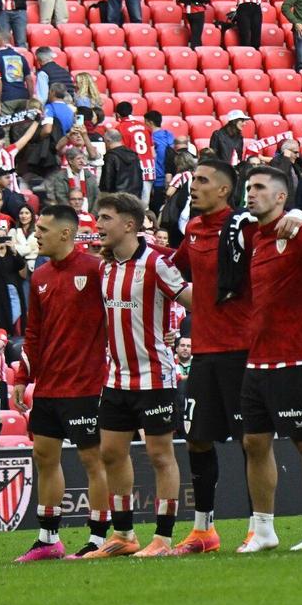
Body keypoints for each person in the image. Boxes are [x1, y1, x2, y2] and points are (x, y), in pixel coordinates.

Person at [10, 205, 110, 562]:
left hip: (86, 384)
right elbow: (33, 332)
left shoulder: (96, 269)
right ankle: (48, 539)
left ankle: (98, 539)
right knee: (43, 457)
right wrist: (23, 376)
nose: (36, 234)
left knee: (91, 460)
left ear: (66, 233)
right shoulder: (39, 276)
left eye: (42, 228)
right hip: (50, 385)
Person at [94, 192, 190, 557]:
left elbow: (188, 299)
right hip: (116, 378)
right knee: (110, 453)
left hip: (155, 377)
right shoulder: (104, 266)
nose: (98, 225)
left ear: (129, 225)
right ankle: (123, 535)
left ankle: (163, 539)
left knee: (160, 455)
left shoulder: (156, 264)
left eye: (105, 218)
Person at [237, 165, 302, 552]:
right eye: (248, 187)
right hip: (257, 359)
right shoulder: (252, 235)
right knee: (254, 443)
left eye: (259, 188)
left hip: (297, 358)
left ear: (280, 197)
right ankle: (263, 531)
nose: (250, 193)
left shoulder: (301, 231)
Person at [169, 157, 255, 555]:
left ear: (224, 190)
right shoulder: (194, 229)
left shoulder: (245, 228)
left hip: (241, 351)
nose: (195, 185)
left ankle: (259, 526)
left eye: (202, 180)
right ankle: (204, 529)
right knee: (197, 441)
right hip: (203, 352)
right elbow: (173, 268)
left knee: (250, 443)